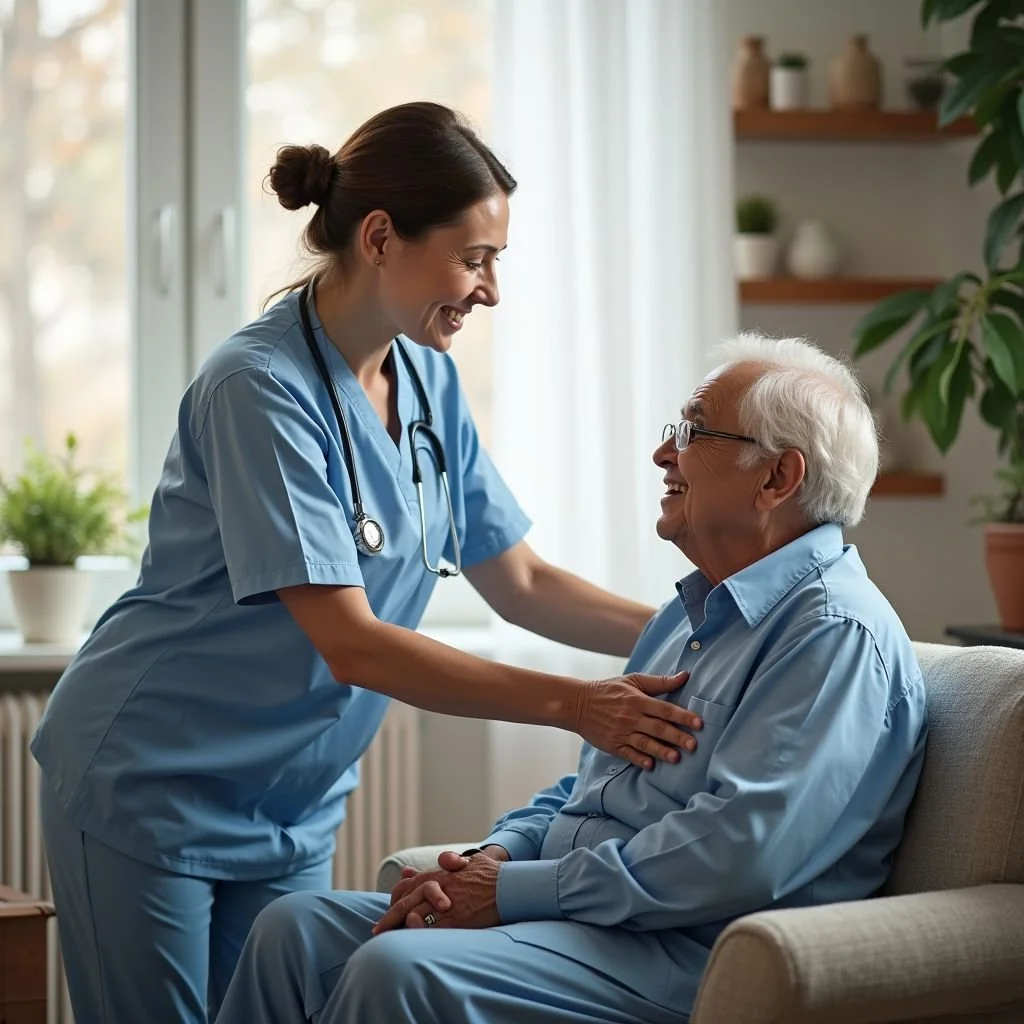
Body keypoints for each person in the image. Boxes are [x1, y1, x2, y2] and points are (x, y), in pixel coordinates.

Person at [31, 102, 704, 1024]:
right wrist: (579, 706)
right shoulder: (258, 389)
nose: (491, 290)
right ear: (382, 237)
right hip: (154, 781)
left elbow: (522, 583)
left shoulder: (428, 380)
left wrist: (703, 627)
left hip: (292, 803)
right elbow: (355, 645)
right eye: (475, 258)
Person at [215, 333, 929, 1024]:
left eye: (693, 433)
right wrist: (494, 857)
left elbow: (736, 851)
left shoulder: (835, 634)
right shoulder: (687, 615)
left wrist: (514, 891)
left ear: (778, 477)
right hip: (600, 923)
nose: (662, 453)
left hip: (688, 948)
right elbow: (588, 791)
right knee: (294, 932)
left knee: (397, 968)